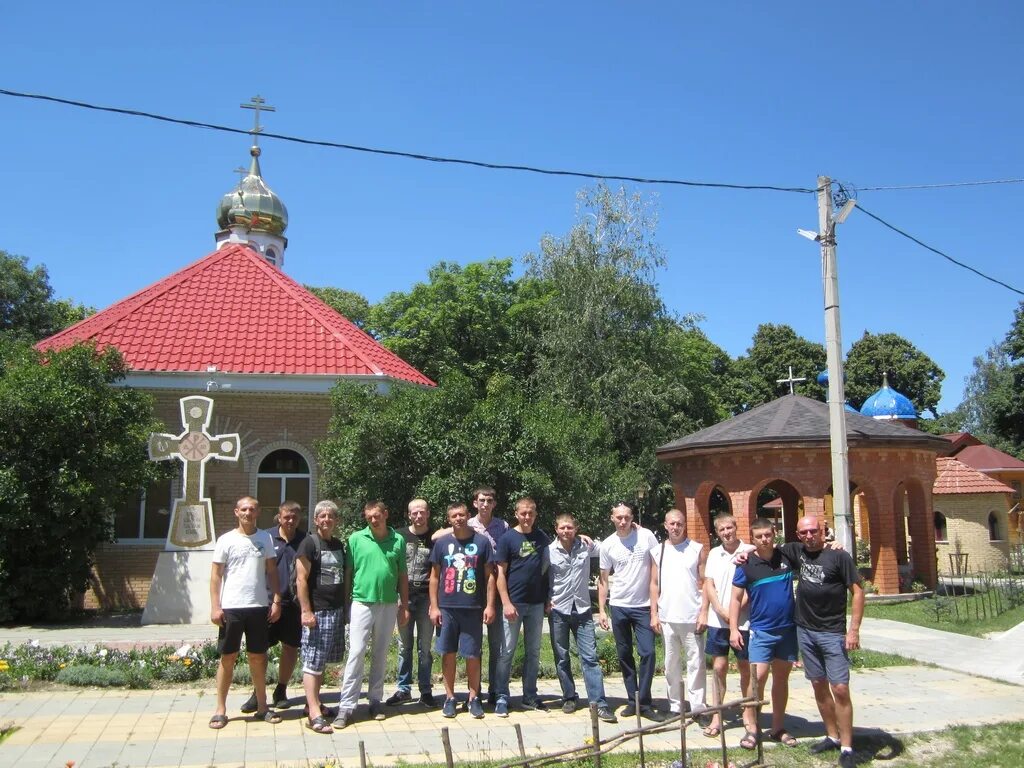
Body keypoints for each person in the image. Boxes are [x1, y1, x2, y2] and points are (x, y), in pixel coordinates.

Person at [781, 516, 864, 768]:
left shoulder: (839, 556)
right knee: (818, 684)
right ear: (797, 535)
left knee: (840, 688)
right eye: (804, 532)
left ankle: (848, 748)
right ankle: (832, 736)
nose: (809, 536)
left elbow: (858, 591)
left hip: (832, 632)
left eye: (814, 531)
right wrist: (745, 552)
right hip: (805, 630)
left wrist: (854, 630)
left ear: (823, 531)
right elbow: (763, 547)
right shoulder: (796, 551)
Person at [208, 497, 283, 729]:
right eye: (244, 509)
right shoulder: (226, 540)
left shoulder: (265, 538)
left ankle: (263, 707)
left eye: (252, 509)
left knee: (258, 657)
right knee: (228, 657)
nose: (248, 513)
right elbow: (216, 575)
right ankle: (220, 710)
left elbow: (272, 571)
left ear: (258, 512)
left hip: (258, 606)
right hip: (231, 608)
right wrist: (215, 606)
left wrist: (276, 600)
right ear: (236, 512)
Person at [334, 501, 409, 728]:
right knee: (356, 652)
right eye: (369, 517)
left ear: (385, 514)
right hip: (361, 602)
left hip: (387, 603)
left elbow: (402, 575)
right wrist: (346, 603)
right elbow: (349, 571)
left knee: (381, 652)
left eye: (376, 516)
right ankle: (346, 706)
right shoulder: (356, 539)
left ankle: (375, 700)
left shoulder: (398, 540)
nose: (373, 520)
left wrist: (404, 605)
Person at [729, 517, 798, 750]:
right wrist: (733, 629)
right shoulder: (746, 563)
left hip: (787, 630)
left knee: (781, 679)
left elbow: (813, 550)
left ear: (774, 533)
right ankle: (751, 728)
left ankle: (778, 728)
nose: (764, 540)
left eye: (767, 535)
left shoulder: (787, 556)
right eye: (758, 536)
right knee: (757, 679)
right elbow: (736, 599)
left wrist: (833, 545)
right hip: (761, 631)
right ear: (753, 538)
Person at [429, 501, 497, 719]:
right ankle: (449, 697)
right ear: (448, 519)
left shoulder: (482, 542)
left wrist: (489, 605)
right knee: (448, 653)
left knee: (472, 654)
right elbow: (434, 577)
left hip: (473, 608)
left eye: (461, 515)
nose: (458, 519)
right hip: (447, 607)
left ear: (468, 515)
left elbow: (490, 577)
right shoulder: (441, 543)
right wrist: (434, 606)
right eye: (453, 516)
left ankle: (473, 697)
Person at [547, 513, 617, 723]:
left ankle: (599, 703)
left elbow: (611, 545)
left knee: (590, 658)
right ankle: (569, 696)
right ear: (556, 529)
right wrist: (545, 599)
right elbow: (540, 576)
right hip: (559, 609)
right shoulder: (548, 551)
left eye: (570, 527)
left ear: (576, 528)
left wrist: (636, 530)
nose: (566, 531)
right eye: (562, 528)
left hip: (583, 610)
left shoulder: (587, 546)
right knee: (562, 657)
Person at [597, 502, 663, 721]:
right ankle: (632, 700)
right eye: (619, 518)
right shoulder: (608, 545)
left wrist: (655, 607)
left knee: (648, 653)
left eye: (626, 517)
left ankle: (644, 702)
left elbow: (656, 570)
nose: (623, 521)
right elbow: (603, 580)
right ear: (612, 518)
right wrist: (602, 610)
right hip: (619, 606)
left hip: (643, 606)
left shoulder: (646, 537)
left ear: (632, 517)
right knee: (624, 655)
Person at [239, 500, 306, 714]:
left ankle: (281, 690)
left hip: (293, 605)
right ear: (279, 516)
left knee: (290, 647)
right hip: (267, 603)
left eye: (294, 517)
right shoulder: (265, 537)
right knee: (259, 650)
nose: (290, 520)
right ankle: (257, 694)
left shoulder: (305, 540)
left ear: (299, 518)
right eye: (287, 516)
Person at [494, 497, 551, 716]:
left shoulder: (542, 538)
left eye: (531, 513)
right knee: (506, 652)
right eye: (523, 513)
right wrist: (506, 602)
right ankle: (501, 696)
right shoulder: (507, 539)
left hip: (536, 604)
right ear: (516, 514)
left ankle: (529, 696)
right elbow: (500, 574)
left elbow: (547, 569)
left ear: (535, 515)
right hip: (513, 605)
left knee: (533, 652)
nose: (527, 517)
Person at [702, 514, 757, 740]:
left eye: (730, 528)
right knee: (718, 669)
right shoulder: (715, 553)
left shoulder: (750, 551)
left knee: (746, 668)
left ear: (736, 527)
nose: (727, 532)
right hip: (718, 621)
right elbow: (709, 584)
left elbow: (753, 586)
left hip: (743, 621)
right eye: (722, 529)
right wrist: (720, 610)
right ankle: (717, 715)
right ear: (718, 533)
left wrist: (733, 614)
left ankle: (748, 714)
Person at [649, 509, 708, 717]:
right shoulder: (658, 551)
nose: (675, 527)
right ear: (665, 525)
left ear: (685, 525)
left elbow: (705, 582)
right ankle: (675, 706)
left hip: (692, 616)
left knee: (696, 664)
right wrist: (654, 614)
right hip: (667, 617)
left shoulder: (696, 549)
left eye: (679, 524)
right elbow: (654, 584)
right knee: (670, 665)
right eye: (672, 524)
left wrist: (704, 612)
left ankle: (698, 708)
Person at [295, 500, 347, 734]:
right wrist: (306, 611)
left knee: (322, 659)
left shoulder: (337, 544)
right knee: (313, 660)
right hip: (317, 611)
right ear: (316, 520)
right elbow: (301, 579)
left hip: (335, 610)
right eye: (322, 516)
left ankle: (313, 703)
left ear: (336, 520)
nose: (326, 520)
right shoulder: (309, 543)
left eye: (331, 516)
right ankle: (314, 714)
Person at [385, 498, 438, 708]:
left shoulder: (434, 539)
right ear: (409, 515)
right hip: (403, 598)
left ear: (428, 514)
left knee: (425, 648)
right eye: (414, 512)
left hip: (426, 598)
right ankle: (404, 689)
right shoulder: (398, 536)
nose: (418, 516)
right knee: (404, 646)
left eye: (422, 512)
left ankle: (426, 690)